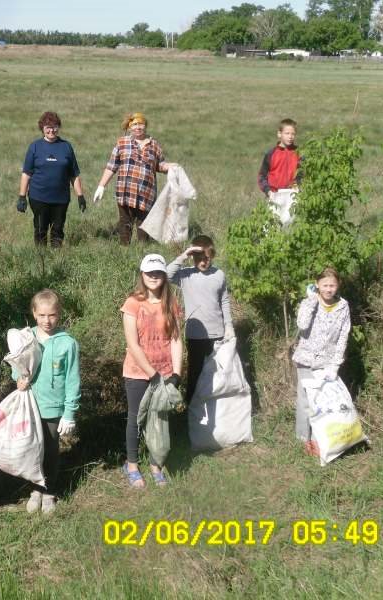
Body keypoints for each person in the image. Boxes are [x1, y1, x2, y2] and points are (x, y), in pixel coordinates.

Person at [14, 289, 81, 514]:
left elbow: (73, 380)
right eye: (42, 315)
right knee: (34, 449)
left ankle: (49, 490)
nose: (47, 320)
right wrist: (18, 380)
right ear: (34, 314)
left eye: (51, 315)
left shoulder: (68, 343)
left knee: (51, 451)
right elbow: (18, 366)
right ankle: (36, 488)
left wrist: (69, 413)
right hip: (30, 405)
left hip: (54, 408)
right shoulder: (27, 338)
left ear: (59, 314)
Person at [120, 254, 182, 487]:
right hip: (138, 372)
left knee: (160, 419)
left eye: (158, 273)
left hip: (165, 372)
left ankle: (156, 464)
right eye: (149, 273)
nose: (154, 277)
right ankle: (132, 464)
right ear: (142, 275)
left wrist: (176, 373)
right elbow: (132, 344)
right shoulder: (133, 303)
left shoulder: (171, 303)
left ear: (164, 275)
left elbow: (176, 339)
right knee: (136, 418)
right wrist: (151, 373)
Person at [166, 235, 235, 403]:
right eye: (199, 258)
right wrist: (184, 255)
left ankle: (216, 408)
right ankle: (192, 409)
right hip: (195, 335)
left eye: (207, 258)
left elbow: (224, 301)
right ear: (193, 257)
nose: (204, 262)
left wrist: (229, 326)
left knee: (217, 374)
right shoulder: (186, 275)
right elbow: (167, 275)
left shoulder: (219, 274)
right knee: (195, 373)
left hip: (218, 334)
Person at [291, 267, 351, 457]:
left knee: (323, 403)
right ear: (317, 285)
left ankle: (319, 439)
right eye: (324, 285)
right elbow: (301, 325)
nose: (328, 289)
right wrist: (310, 301)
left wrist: (335, 365)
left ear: (338, 286)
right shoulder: (310, 301)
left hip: (327, 363)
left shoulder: (343, 306)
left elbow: (343, 335)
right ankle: (303, 437)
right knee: (305, 401)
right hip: (306, 360)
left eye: (332, 285)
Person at [93, 112, 174, 245]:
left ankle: (143, 253)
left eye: (140, 124)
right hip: (125, 193)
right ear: (130, 127)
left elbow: (159, 165)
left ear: (145, 125)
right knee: (125, 224)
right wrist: (101, 186)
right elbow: (111, 166)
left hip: (146, 194)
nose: (138, 127)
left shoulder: (154, 145)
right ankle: (124, 252)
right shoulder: (122, 142)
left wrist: (170, 166)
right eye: (134, 124)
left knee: (144, 227)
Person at [17, 111, 86, 248]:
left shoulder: (66, 146)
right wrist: (22, 196)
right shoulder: (35, 147)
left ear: (58, 127)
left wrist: (80, 196)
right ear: (42, 128)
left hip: (61, 199)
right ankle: (41, 257)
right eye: (48, 127)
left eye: (54, 126)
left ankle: (56, 258)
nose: (51, 130)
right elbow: (26, 173)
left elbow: (74, 174)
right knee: (40, 229)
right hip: (39, 197)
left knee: (58, 230)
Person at [257, 117, 301, 197]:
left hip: (293, 195)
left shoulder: (299, 153)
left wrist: (297, 185)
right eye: (287, 133)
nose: (290, 137)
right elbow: (262, 176)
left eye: (293, 134)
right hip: (274, 195)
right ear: (279, 134)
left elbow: (302, 173)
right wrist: (268, 191)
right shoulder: (271, 154)